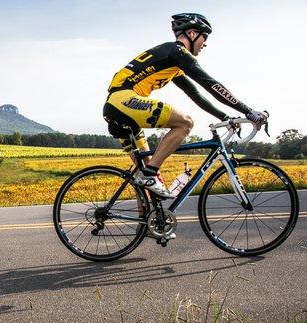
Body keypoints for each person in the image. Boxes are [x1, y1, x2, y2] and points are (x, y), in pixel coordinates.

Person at [103, 13, 267, 198]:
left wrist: (225, 118)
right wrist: (248, 111)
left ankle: (147, 222)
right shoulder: (177, 52)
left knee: (146, 180)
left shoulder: (171, 59)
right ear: (191, 33)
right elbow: (210, 84)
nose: (205, 43)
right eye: (204, 37)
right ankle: (149, 175)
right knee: (185, 123)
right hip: (124, 100)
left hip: (116, 106)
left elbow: (195, 94)